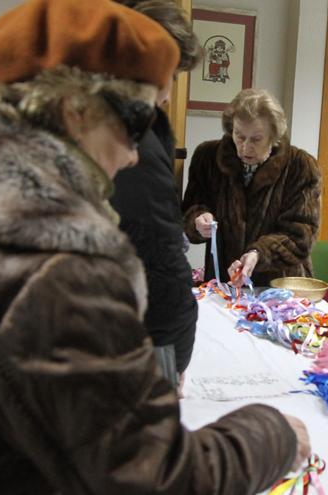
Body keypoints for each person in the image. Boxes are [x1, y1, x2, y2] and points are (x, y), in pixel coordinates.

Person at [0, 1, 309, 493]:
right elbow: (155, 477)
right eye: (136, 125)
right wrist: (273, 433)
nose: (135, 153)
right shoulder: (55, 272)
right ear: (75, 109)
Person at [109, 0, 202, 378]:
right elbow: (159, 258)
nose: (167, 96)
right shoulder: (135, 139)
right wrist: (173, 361)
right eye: (172, 77)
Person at [182, 88, 321, 286]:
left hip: (279, 286)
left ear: (274, 137)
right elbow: (190, 210)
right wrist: (198, 220)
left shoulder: (300, 166)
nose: (246, 147)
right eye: (239, 136)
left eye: (256, 139)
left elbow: (300, 237)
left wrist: (258, 254)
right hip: (225, 279)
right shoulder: (207, 157)